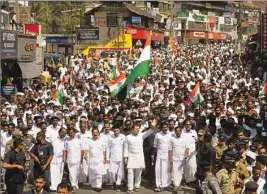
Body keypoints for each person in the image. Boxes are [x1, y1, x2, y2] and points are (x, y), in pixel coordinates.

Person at [124, 123, 155, 194]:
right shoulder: (128, 137)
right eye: (136, 129)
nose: (137, 130)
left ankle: (137, 186)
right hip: (131, 157)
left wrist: (152, 127)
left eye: (138, 129)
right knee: (130, 173)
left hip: (139, 157)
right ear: (132, 129)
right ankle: (130, 188)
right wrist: (125, 157)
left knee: (138, 174)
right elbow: (126, 148)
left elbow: (149, 132)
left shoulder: (141, 135)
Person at [63, 128, 84, 193]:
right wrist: (64, 158)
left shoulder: (79, 139)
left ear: (75, 132)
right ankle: (73, 186)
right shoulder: (66, 140)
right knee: (71, 173)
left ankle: (76, 184)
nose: (70, 134)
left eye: (71, 132)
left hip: (77, 159)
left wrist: (81, 158)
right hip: (70, 159)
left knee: (77, 173)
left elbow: (82, 150)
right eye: (69, 133)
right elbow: (65, 150)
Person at [153, 122, 172, 191]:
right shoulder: (158, 135)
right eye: (163, 127)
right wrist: (153, 154)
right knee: (159, 171)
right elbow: (155, 146)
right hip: (160, 155)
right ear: (161, 128)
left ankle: (167, 184)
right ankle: (159, 185)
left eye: (166, 127)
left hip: (168, 156)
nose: (165, 128)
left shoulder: (171, 134)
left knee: (167, 171)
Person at [169, 127, 189, 193]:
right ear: (175, 132)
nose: (178, 132)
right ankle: (176, 186)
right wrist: (170, 158)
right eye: (176, 131)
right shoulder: (172, 139)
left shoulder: (185, 139)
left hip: (182, 159)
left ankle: (177, 185)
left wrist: (186, 154)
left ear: (181, 132)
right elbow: (170, 150)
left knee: (180, 172)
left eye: (179, 131)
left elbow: (187, 148)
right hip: (174, 158)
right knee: (174, 172)